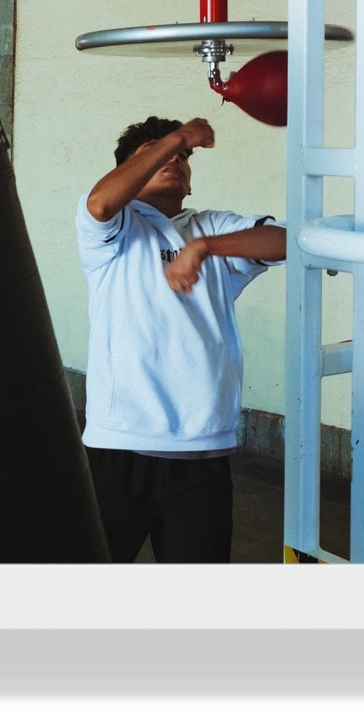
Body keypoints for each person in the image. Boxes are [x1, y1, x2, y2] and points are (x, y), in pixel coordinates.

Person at [76, 115, 286, 563]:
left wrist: (206, 248)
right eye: (156, 152)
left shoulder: (209, 227)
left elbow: (286, 241)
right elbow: (100, 203)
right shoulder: (113, 229)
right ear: (127, 174)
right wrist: (177, 136)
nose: (175, 158)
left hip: (201, 450)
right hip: (119, 444)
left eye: (184, 156)